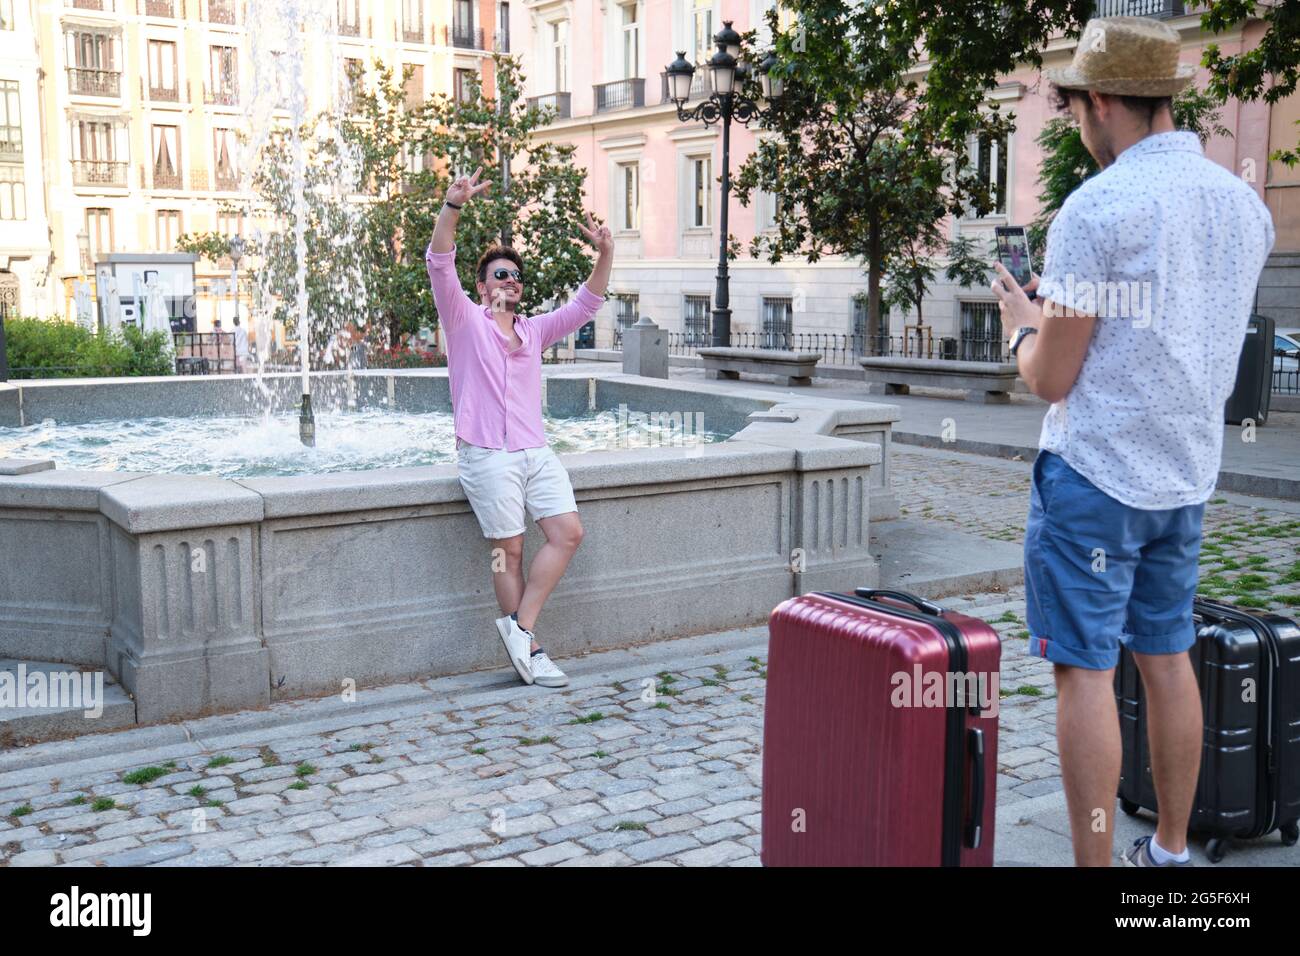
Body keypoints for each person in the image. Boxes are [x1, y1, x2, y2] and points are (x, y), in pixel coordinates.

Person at [991, 16, 1275, 866]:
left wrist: (1021, 327)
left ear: (1102, 100)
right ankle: (1173, 855)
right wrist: (1070, 308)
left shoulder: (1097, 206)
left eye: (1076, 105)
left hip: (1096, 475)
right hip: (1183, 478)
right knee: (1168, 657)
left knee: (1084, 672)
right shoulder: (1243, 206)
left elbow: (1051, 378)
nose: (1077, 124)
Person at [426, 166, 612, 688]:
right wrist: (452, 205)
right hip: (485, 452)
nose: (510, 281)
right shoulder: (464, 321)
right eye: (499, 275)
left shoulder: (535, 331)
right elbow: (440, 261)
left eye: (515, 275)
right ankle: (530, 651)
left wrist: (604, 253)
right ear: (483, 287)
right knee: (508, 550)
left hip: (534, 449)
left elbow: (587, 303)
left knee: (568, 532)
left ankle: (519, 630)